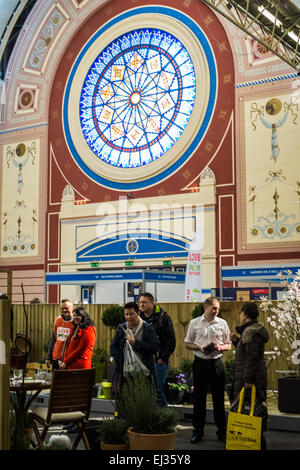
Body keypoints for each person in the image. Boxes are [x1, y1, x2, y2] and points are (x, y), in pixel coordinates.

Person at [184, 297, 231, 443]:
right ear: (206, 307)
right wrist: (199, 347)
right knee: (199, 399)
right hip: (200, 363)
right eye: (214, 308)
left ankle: (222, 431)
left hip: (217, 363)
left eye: (218, 308)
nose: (216, 311)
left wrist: (220, 347)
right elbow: (187, 343)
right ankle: (198, 432)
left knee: (218, 399)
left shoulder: (222, 323)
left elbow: (229, 344)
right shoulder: (194, 323)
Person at [110, 301, 159, 390]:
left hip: (144, 372)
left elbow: (154, 348)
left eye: (132, 314)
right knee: (124, 399)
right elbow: (113, 347)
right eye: (126, 314)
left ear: (138, 313)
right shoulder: (122, 328)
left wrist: (136, 343)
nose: (129, 317)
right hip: (125, 372)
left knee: (143, 400)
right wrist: (121, 359)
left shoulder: (147, 328)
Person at [139, 292, 176, 406]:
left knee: (157, 389)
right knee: (146, 389)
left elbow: (171, 340)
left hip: (158, 361)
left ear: (152, 303)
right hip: (143, 360)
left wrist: (162, 358)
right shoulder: (139, 318)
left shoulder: (163, 317)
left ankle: (165, 418)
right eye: (140, 302)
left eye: (144, 302)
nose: (141, 305)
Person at [230, 301, 269, 404]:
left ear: (245, 315)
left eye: (241, 313)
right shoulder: (254, 330)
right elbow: (248, 351)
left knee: (249, 410)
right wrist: (236, 341)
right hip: (255, 377)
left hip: (251, 379)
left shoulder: (250, 332)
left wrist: (248, 380)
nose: (240, 316)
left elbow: (251, 358)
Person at [46, 299, 75, 369]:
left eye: (66, 308)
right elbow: (53, 339)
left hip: (68, 360)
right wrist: (48, 357)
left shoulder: (75, 322)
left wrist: (66, 361)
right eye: (62, 308)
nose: (64, 310)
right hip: (56, 358)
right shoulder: (58, 320)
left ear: (72, 308)